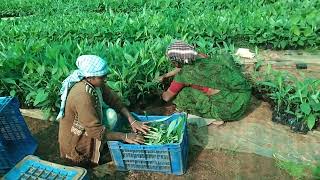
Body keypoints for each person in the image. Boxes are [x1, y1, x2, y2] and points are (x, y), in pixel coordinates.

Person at [57, 55, 149, 166]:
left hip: (88, 124)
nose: (105, 79)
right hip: (76, 139)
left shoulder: (95, 83)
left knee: (111, 115)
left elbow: (114, 100)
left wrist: (132, 120)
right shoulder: (83, 95)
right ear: (90, 77)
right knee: (84, 157)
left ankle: (102, 143)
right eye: (102, 77)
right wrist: (125, 136)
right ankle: (88, 156)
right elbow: (95, 131)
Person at [158, 40, 251, 121]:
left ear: (176, 60)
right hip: (243, 97)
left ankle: (215, 118)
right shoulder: (200, 56)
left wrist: (160, 92)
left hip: (226, 111)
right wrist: (166, 75)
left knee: (184, 94)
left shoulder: (183, 76)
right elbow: (183, 66)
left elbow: (167, 97)